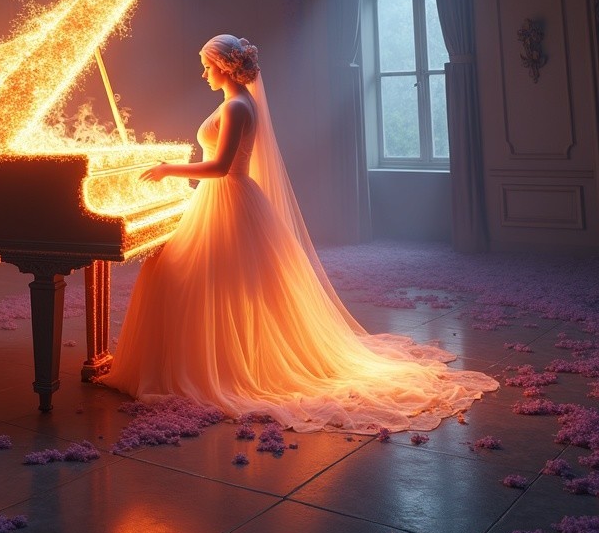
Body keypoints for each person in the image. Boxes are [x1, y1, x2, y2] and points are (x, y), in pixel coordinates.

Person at [106, 34, 498, 433]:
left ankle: (214, 368)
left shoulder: (239, 107)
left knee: (202, 280)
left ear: (224, 66)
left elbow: (222, 166)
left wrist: (168, 168)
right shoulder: (235, 103)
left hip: (229, 199)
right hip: (217, 201)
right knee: (191, 278)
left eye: (207, 64)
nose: (202, 72)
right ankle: (203, 362)